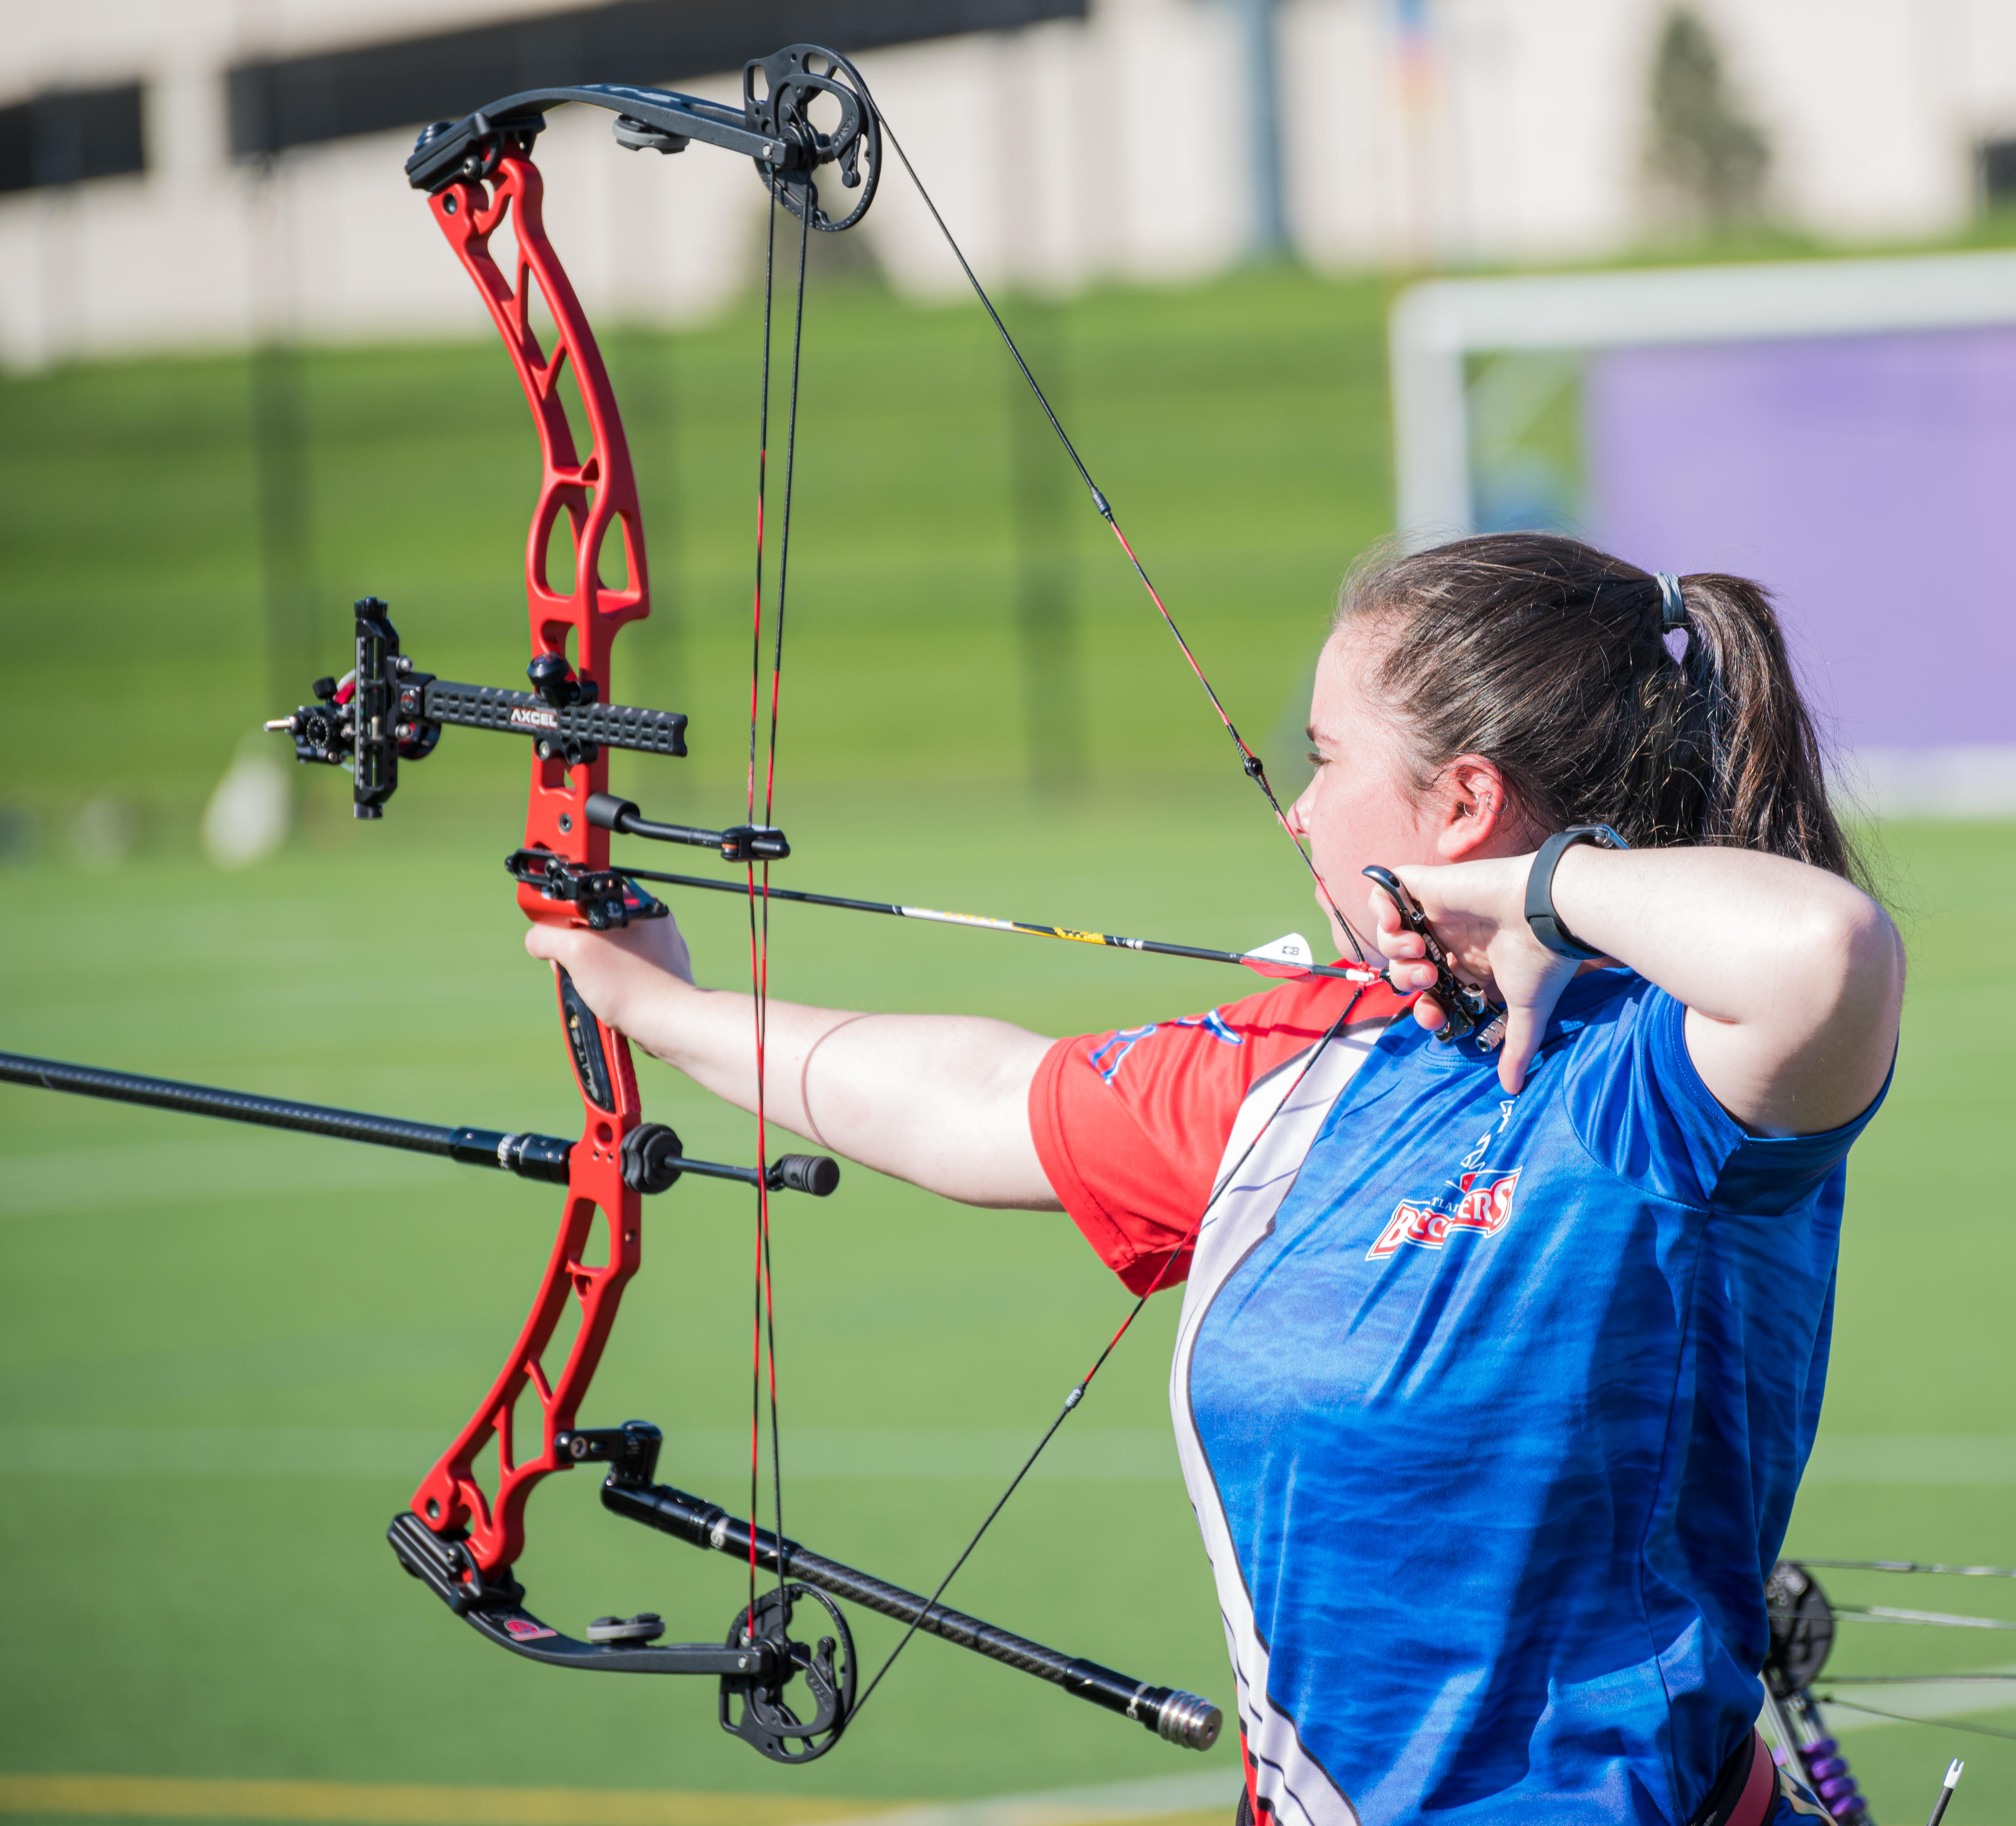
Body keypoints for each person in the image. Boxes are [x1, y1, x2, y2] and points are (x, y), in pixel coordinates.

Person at [529, 532, 1903, 1826]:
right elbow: (981, 1097)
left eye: (1323, 757)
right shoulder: (1322, 1056)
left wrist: (1548, 891)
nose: (1298, 809)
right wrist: (663, 1006)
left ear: (1464, 801)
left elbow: (1825, 952)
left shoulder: (1663, 1082)